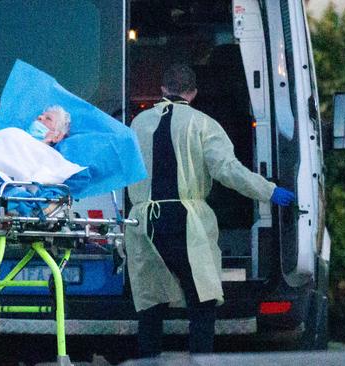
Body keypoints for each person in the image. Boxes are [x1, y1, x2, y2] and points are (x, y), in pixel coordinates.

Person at [125, 63, 295, 357]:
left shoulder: (138, 124)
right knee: (201, 302)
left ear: (163, 89)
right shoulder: (203, 124)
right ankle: (200, 360)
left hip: (143, 223)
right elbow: (228, 170)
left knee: (150, 303)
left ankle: (146, 361)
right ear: (192, 93)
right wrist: (269, 190)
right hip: (187, 223)